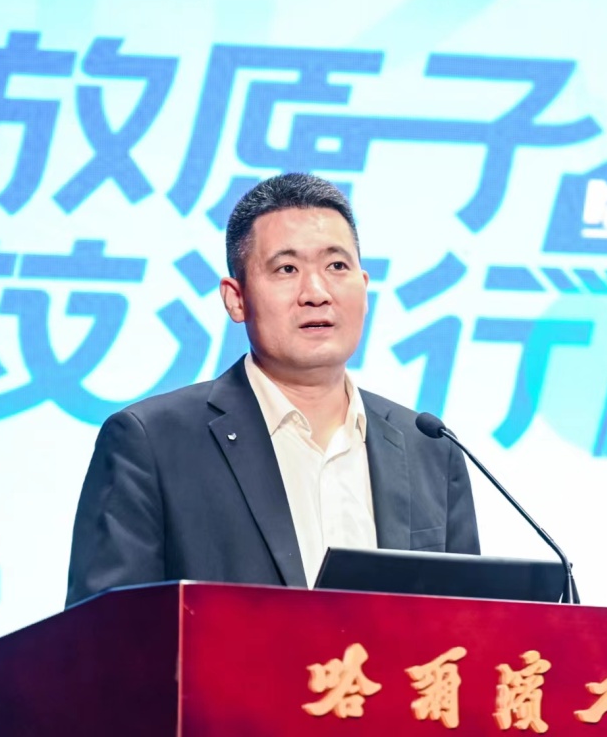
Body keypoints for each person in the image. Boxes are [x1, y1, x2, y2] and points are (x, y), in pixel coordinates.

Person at [65, 173, 480, 607]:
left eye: (336, 267)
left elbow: (469, 623)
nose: (316, 293)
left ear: (364, 286)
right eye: (287, 269)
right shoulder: (152, 443)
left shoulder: (430, 447)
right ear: (236, 299)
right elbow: (105, 634)